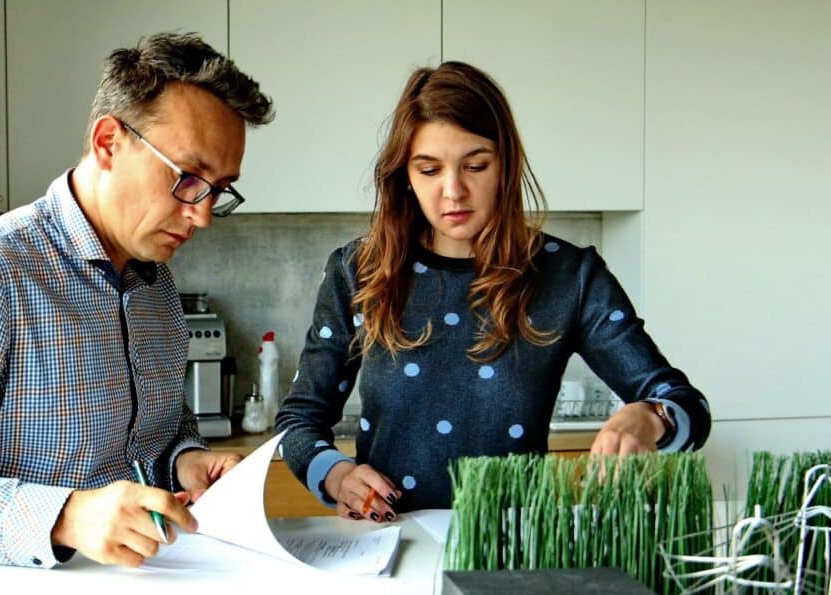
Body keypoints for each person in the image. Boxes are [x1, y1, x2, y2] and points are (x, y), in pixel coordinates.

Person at [0, 32, 273, 594]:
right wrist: (63, 517)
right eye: (188, 177)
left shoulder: (156, 284)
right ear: (109, 142)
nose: (203, 215)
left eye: (220, 190)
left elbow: (155, 432)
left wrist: (185, 460)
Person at [275, 61, 711, 522]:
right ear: (405, 175)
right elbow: (298, 423)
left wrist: (649, 417)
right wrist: (336, 475)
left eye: (476, 165)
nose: (453, 191)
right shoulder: (356, 270)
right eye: (429, 169)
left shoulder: (569, 275)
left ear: (506, 164)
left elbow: (688, 407)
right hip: (389, 539)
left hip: (514, 545)